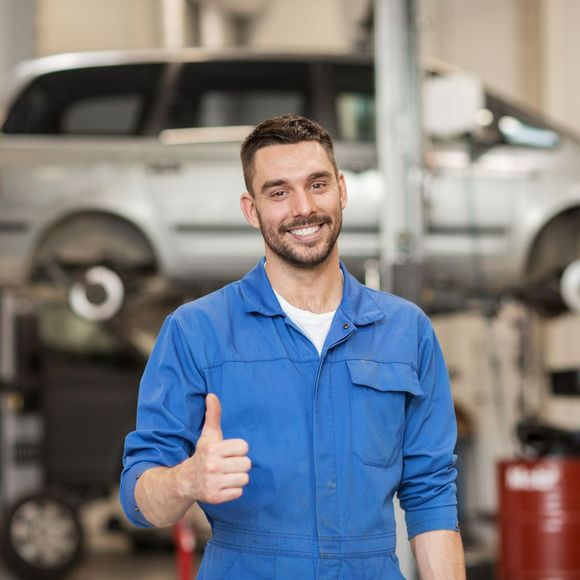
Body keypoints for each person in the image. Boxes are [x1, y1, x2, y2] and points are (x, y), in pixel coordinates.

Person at [121, 114, 465, 579]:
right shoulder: (196, 331)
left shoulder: (407, 331)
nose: (303, 207)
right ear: (251, 209)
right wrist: (186, 480)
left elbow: (431, 495)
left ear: (342, 190)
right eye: (278, 192)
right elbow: (141, 499)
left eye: (317, 184)